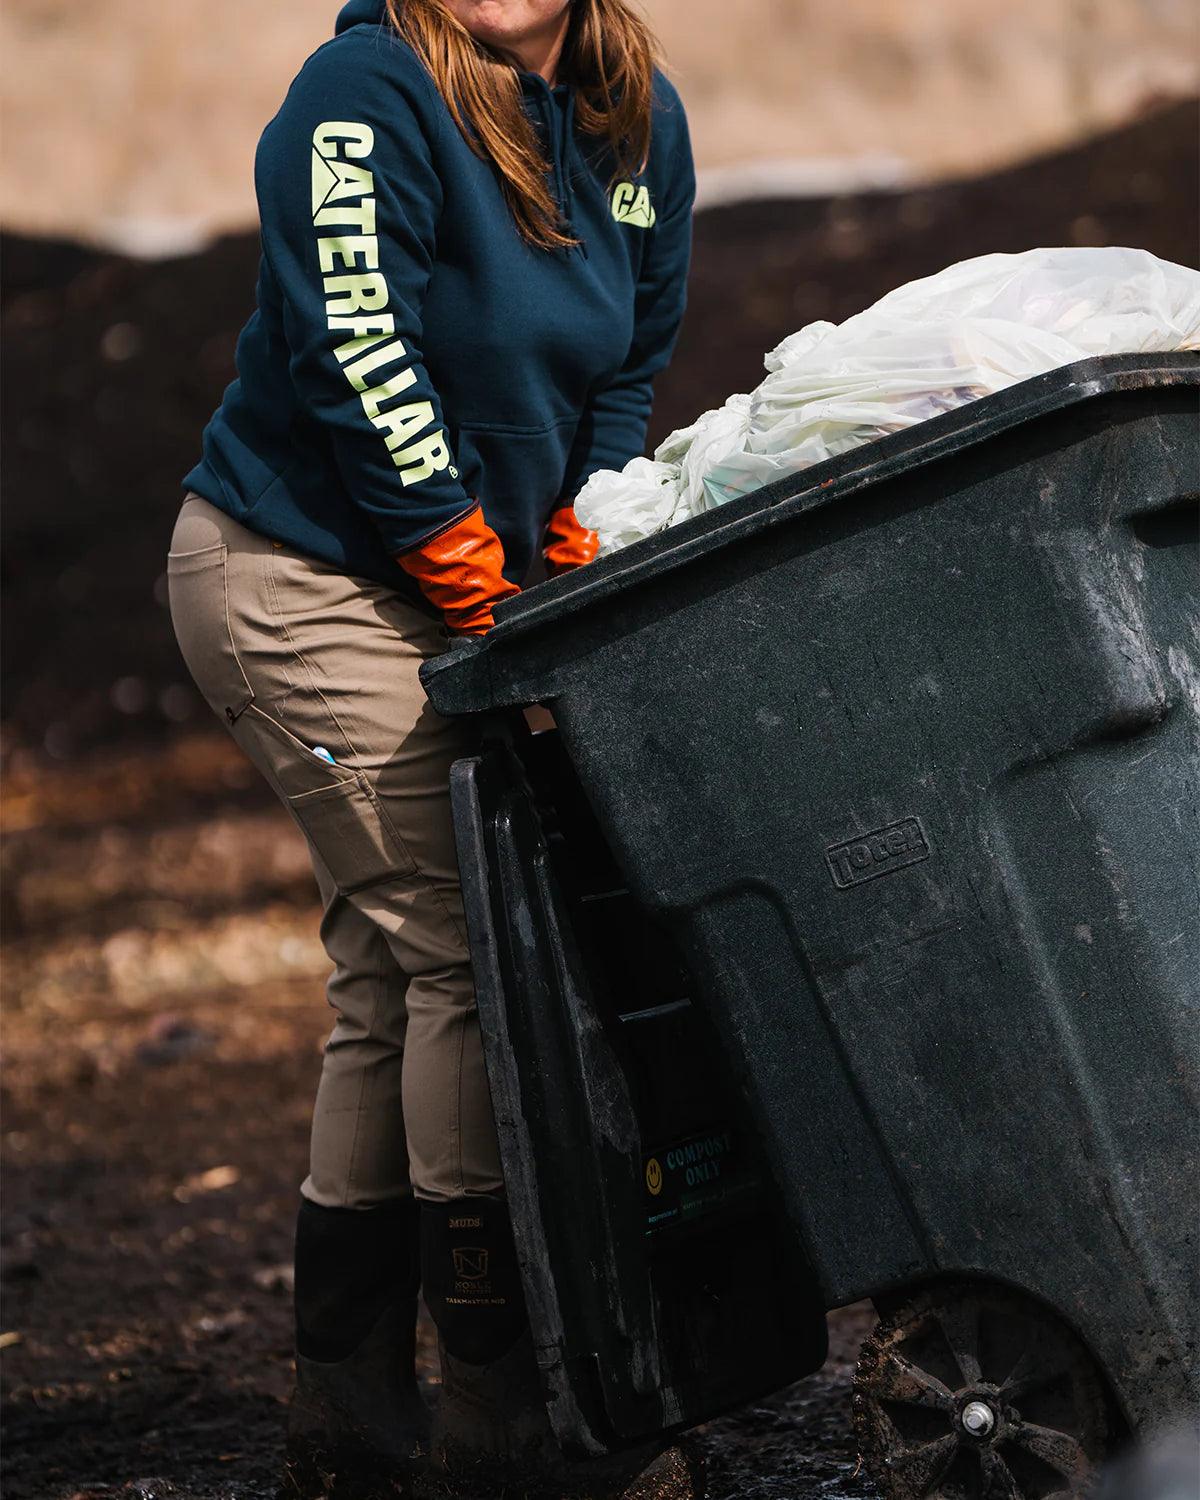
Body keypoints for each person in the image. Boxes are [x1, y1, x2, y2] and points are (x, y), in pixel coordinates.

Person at [167, 0, 696, 1495]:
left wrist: (584, 529)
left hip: (462, 582)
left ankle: (346, 1402)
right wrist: (470, 566)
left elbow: (629, 365)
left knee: (388, 969)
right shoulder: (364, 93)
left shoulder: (632, 118)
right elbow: (356, 351)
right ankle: (497, 1397)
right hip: (304, 575)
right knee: (465, 949)